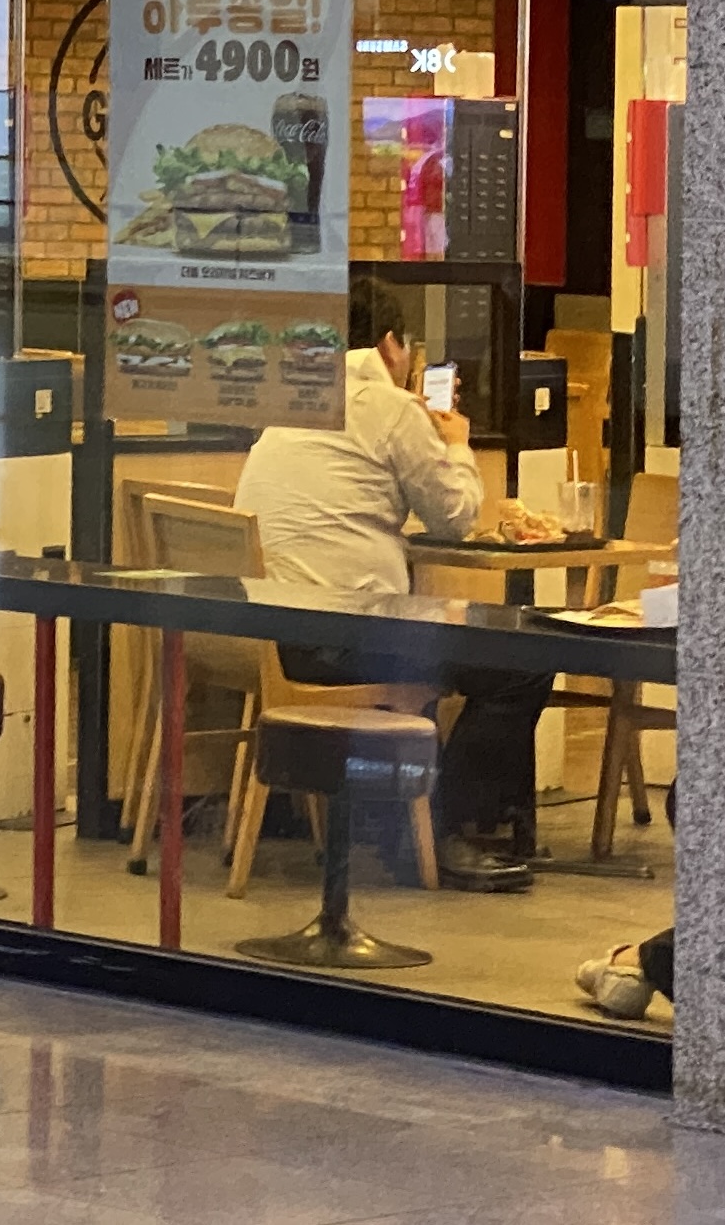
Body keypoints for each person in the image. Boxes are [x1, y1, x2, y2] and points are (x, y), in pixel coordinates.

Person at [231, 284, 552, 892]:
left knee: (467, 642)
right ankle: (448, 832)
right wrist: (456, 443)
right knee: (522, 661)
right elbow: (454, 517)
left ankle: (413, 823)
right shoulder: (390, 407)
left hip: (270, 632)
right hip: (342, 639)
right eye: (408, 351)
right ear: (389, 345)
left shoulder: (294, 399)